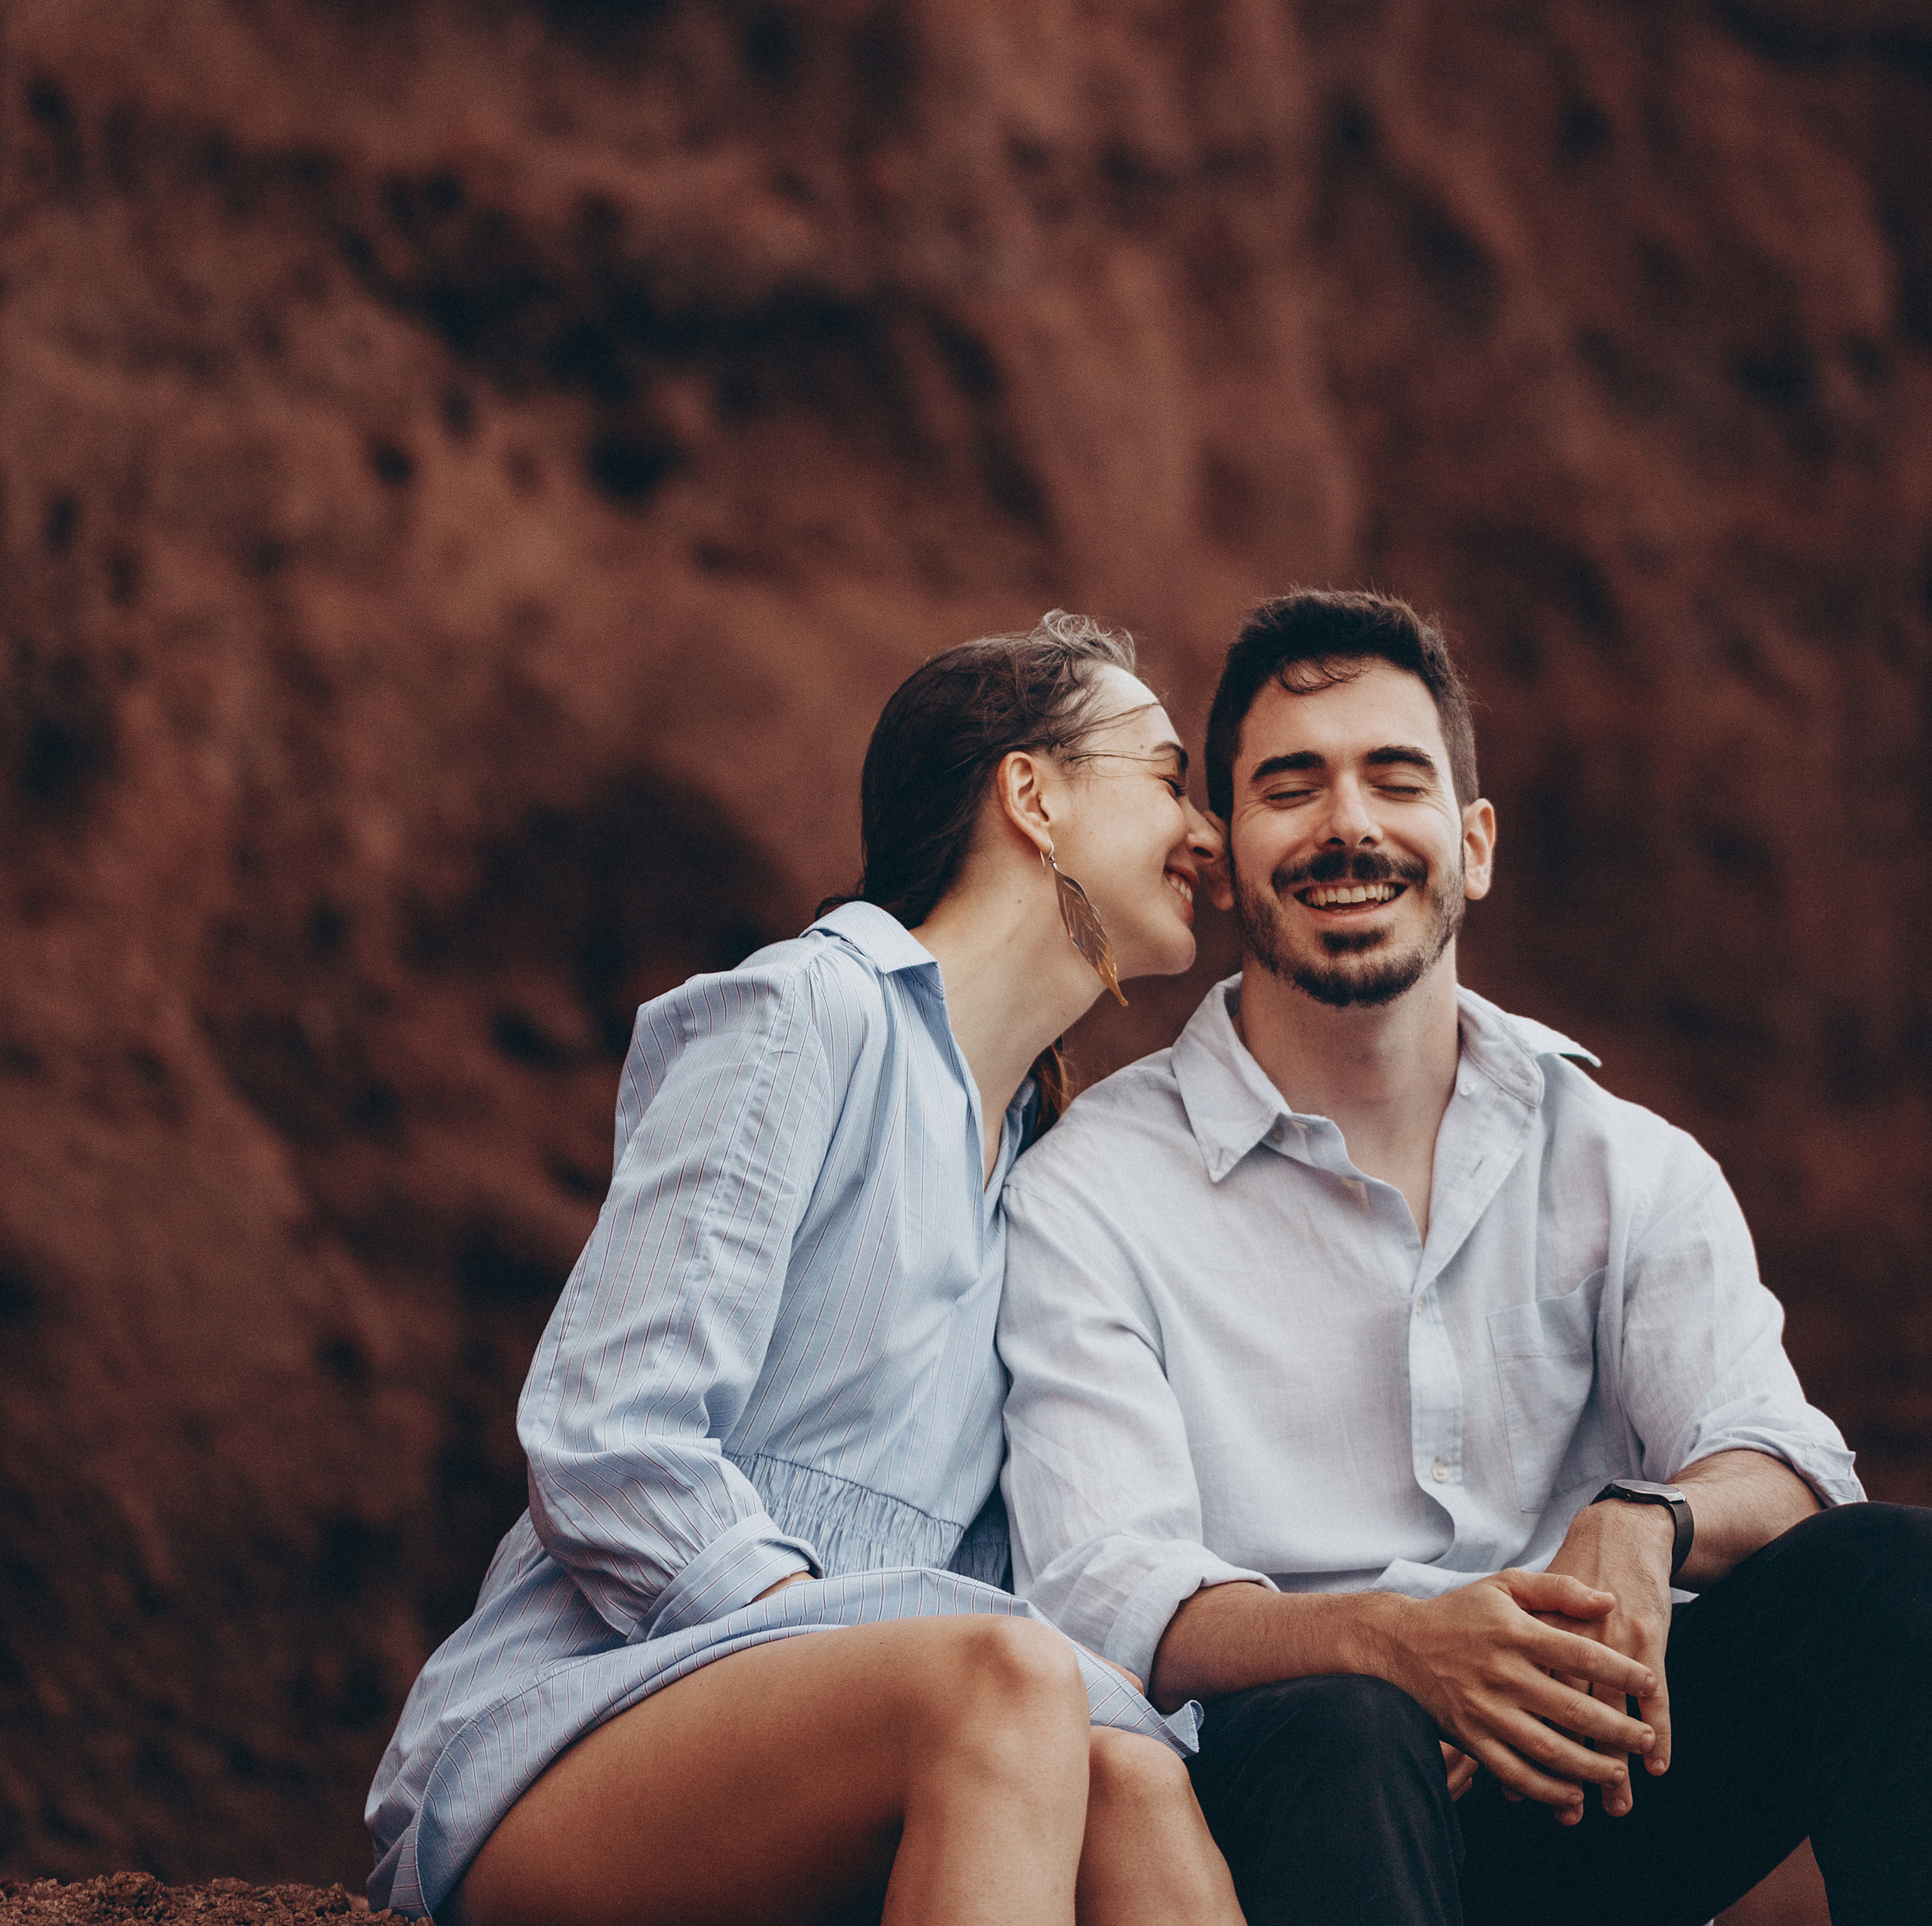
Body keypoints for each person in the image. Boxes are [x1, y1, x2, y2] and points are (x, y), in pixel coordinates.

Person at [998, 586, 1932, 1926]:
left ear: (1473, 843)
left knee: (1895, 1581)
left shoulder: (1628, 1163)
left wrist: (1650, 1518)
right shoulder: (1093, 1188)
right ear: (1227, 856)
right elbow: (1103, 1587)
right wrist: (1398, 1643)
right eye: (1290, 788)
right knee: (1346, 1721)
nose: (1350, 825)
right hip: (1288, 1801)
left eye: (1396, 779)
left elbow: (1787, 1465)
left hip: (1572, 1786)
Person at [366, 612, 1241, 1926]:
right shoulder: (808, 1013)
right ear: (1033, 795)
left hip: (886, 1747)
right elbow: (610, 1435)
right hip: (571, 1736)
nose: (1209, 835)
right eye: (1169, 778)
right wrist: (853, 1635)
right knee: (1006, 1683)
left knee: (1139, 1778)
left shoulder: (1054, 1172)